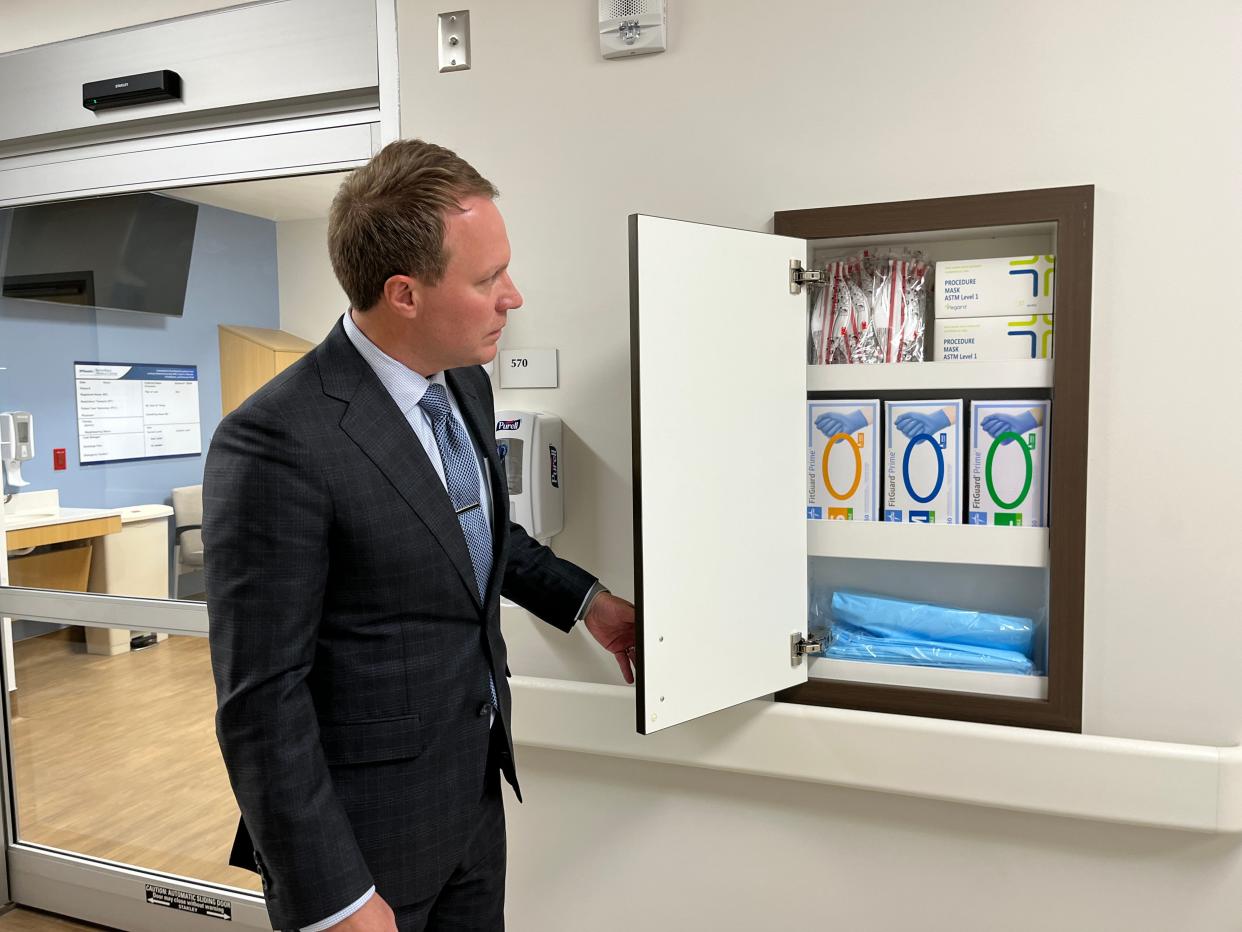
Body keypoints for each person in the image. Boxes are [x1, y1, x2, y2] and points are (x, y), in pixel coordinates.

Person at [204, 139, 636, 932]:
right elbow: (261, 701)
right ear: (404, 293)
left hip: (471, 798)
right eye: (487, 279)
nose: (514, 297)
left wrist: (589, 603)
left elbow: (470, 536)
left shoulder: (464, 382)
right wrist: (334, 897)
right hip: (361, 839)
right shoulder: (276, 441)